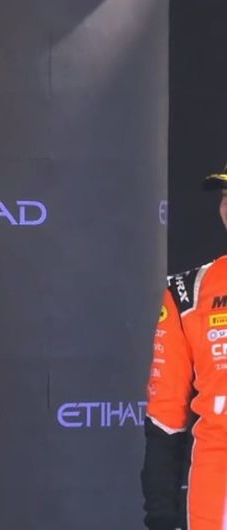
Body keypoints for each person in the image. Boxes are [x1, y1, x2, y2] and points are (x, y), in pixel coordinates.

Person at [143, 162, 227, 530]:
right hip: (215, 499)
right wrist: (161, 516)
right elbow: (165, 417)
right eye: (226, 197)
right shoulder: (188, 292)